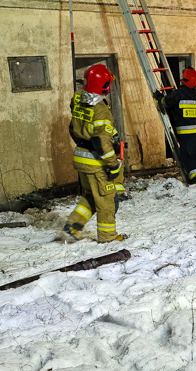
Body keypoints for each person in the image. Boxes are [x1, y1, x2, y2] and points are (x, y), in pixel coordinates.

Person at [58, 64, 125, 243]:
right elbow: (101, 142)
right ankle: (108, 236)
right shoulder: (101, 111)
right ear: (104, 86)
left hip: (81, 157)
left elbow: (75, 126)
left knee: (91, 196)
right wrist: (112, 166)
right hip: (96, 163)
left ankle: (72, 227)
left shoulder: (78, 98)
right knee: (105, 201)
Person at [160, 68, 196, 184]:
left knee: (187, 155)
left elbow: (167, 102)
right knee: (195, 154)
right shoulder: (195, 94)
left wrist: (160, 98)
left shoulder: (179, 93)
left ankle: (195, 178)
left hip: (186, 132)